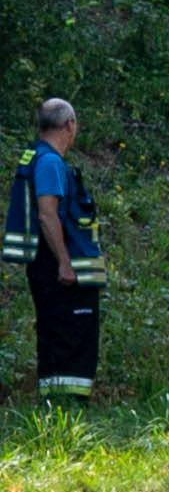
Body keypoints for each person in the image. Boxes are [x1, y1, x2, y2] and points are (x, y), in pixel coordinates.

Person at [11, 96, 102, 401]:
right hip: (57, 267)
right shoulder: (50, 161)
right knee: (72, 335)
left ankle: (54, 405)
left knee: (54, 335)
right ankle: (69, 406)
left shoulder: (35, 156)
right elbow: (47, 214)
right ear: (69, 125)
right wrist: (65, 262)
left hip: (42, 263)